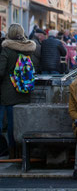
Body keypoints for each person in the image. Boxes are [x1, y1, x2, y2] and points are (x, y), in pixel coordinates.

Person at [0, 23, 36, 158]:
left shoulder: (7, 50)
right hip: (25, 89)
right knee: (22, 121)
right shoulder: (29, 49)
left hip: (9, 91)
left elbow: (1, 71)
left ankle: (12, 152)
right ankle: (24, 151)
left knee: (10, 123)